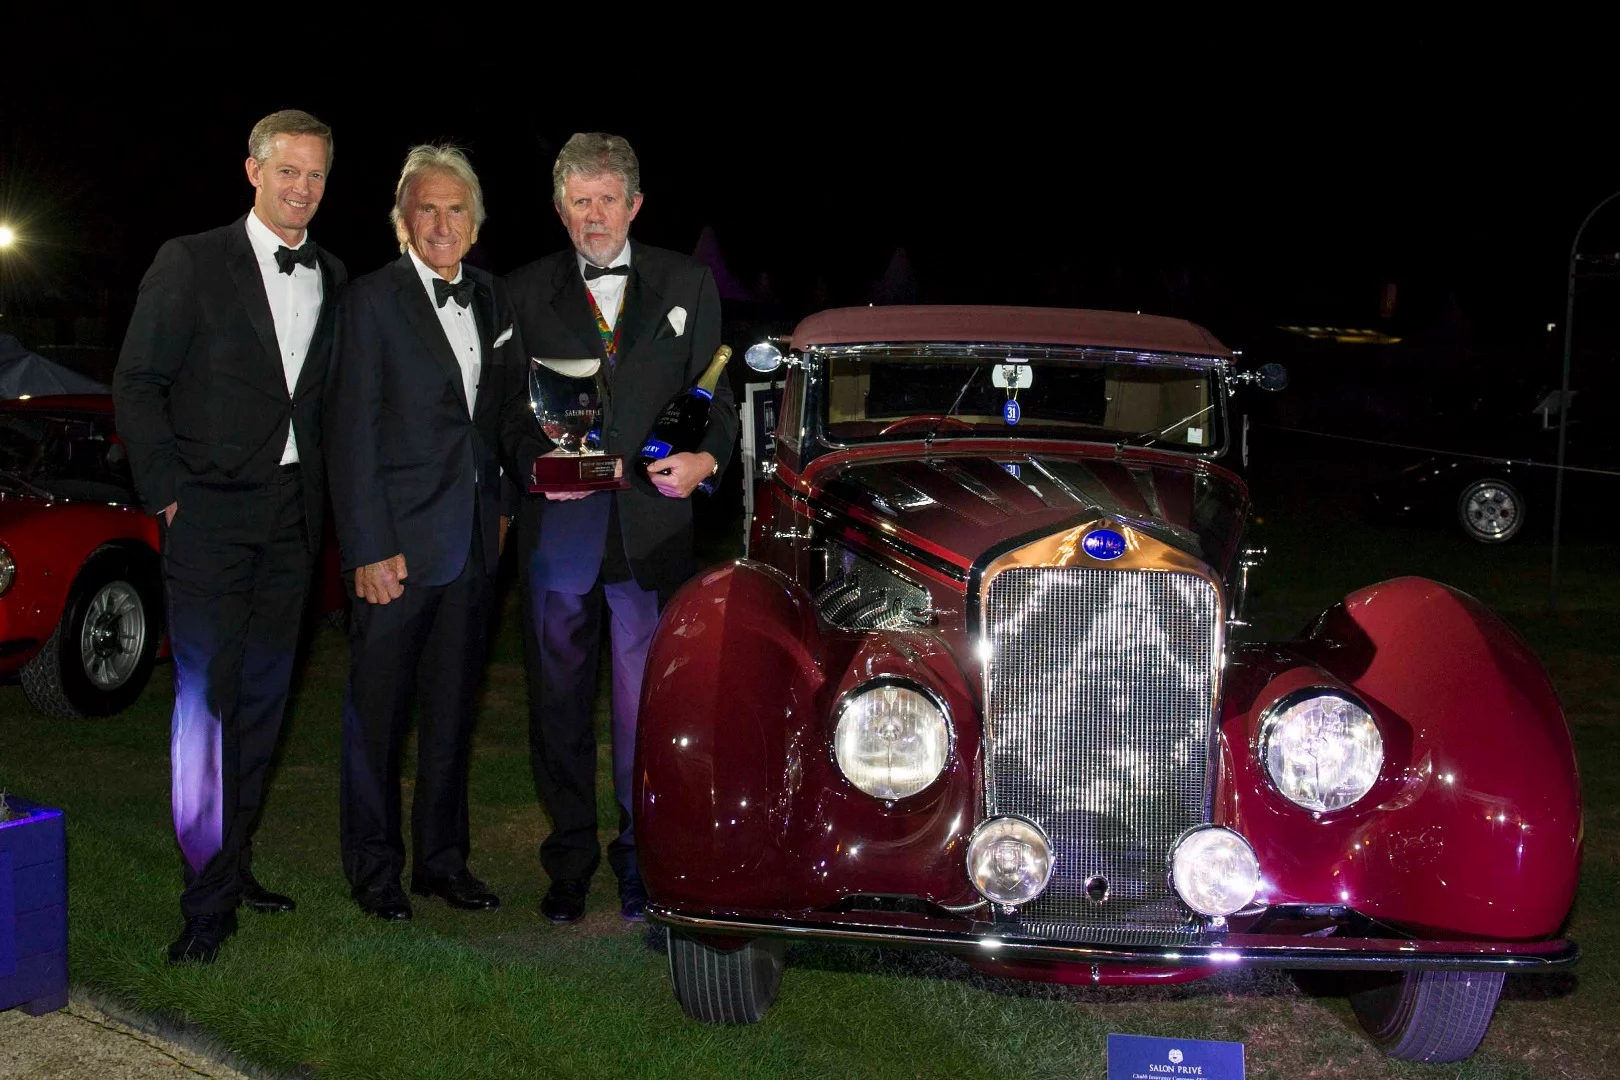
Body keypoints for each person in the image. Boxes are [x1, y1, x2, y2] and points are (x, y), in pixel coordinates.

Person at [113, 110, 346, 964]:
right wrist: (169, 496)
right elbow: (136, 382)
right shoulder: (191, 260)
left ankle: (232, 859)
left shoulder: (334, 273)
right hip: (208, 517)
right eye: (287, 171)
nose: (302, 189)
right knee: (203, 711)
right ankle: (204, 900)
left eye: (316, 175)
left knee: (262, 707)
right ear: (252, 170)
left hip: (292, 522)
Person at [501, 133, 737, 923]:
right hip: (561, 534)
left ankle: (642, 857)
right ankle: (568, 859)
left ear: (634, 205)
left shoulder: (686, 281)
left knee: (645, 710)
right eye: (579, 201)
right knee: (558, 705)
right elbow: (505, 414)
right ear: (559, 208)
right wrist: (539, 464)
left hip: (651, 532)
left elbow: (718, 399)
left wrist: (707, 462)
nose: (593, 215)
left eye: (607, 200)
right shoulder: (523, 291)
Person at [326, 145, 522, 921]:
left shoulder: (496, 300)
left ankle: (442, 862)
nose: (443, 223)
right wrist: (369, 548)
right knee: (376, 721)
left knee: (451, 716)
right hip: (397, 552)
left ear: (475, 225)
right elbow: (352, 433)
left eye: (456, 210)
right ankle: (374, 871)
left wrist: (505, 506)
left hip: (473, 546)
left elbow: (502, 418)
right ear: (404, 222)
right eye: (427, 209)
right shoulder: (370, 301)